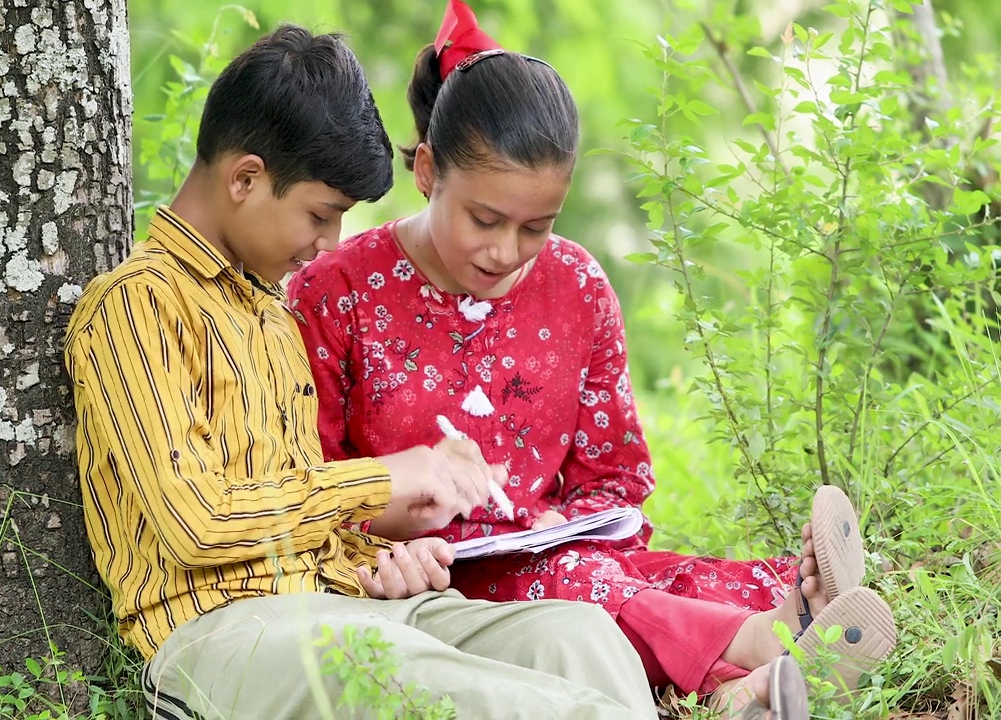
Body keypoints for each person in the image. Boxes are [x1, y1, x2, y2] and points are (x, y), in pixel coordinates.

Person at [286, 1, 896, 717]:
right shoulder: (336, 290)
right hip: (427, 585)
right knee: (572, 592)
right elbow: (306, 482)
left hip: (561, 562)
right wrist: (382, 549)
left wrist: (561, 522)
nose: (506, 252)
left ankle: (744, 687)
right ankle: (763, 642)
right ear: (426, 171)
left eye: (536, 228)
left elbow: (612, 484)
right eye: (484, 220)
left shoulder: (576, 286)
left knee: (626, 577)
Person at [64, 22, 661, 720]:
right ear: (246, 179)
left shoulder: (269, 313)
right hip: (222, 637)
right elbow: (197, 524)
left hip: (342, 607)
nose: (330, 242)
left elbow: (297, 501)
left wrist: (382, 557)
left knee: (576, 637)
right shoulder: (135, 307)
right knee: (467, 691)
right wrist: (384, 478)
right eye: (322, 215)